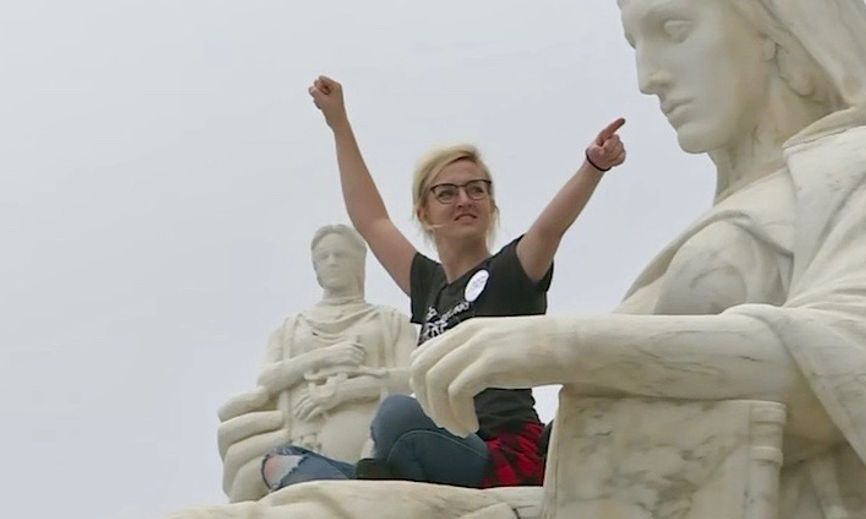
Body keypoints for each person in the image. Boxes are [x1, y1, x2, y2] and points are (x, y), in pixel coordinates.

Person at [409, 0, 866, 517]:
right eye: (635, 45)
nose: (648, 78)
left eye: (673, 28)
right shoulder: (718, 224)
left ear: (778, 29)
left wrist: (567, 345)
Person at [260, 75, 626, 491]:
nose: (464, 200)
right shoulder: (428, 284)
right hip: (431, 448)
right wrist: (338, 123)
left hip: (494, 450)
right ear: (424, 211)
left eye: (476, 190)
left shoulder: (509, 273)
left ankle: (377, 486)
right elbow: (371, 219)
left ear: (491, 204)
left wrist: (593, 167)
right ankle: (380, 487)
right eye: (447, 193)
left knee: (398, 414)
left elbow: (549, 230)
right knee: (279, 460)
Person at [217, 225, 415, 501]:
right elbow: (268, 380)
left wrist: (344, 392)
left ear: (359, 262)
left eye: (340, 255)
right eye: (324, 256)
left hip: (363, 444)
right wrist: (326, 356)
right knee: (248, 486)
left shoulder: (390, 321)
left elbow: (409, 378)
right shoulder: (291, 327)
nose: (331, 262)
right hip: (295, 440)